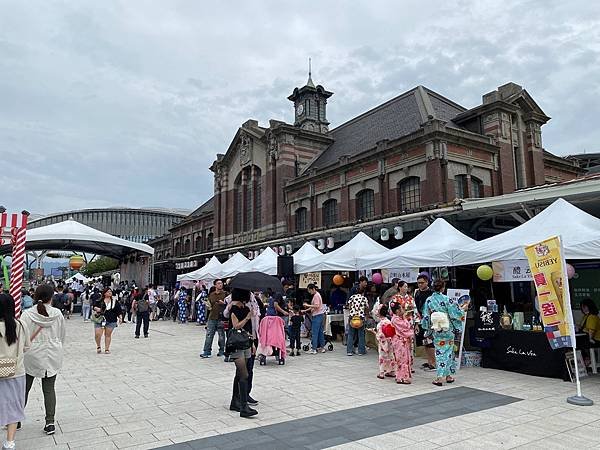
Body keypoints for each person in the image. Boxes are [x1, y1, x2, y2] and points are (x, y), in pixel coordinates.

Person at [21, 284, 66, 436]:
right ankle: (50, 422)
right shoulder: (57, 313)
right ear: (51, 296)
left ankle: (16, 419)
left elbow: (22, 336)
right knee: (49, 389)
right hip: (52, 353)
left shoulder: (27, 314)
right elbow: (62, 335)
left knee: (23, 389)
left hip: (31, 354)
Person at [420, 279, 468, 386]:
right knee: (449, 351)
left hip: (437, 329)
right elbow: (455, 313)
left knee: (440, 352)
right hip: (448, 329)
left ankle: (440, 377)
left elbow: (426, 317)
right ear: (443, 288)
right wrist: (463, 309)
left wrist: (427, 327)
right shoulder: (447, 299)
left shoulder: (429, 300)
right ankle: (448, 376)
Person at [0, 293, 30, 450]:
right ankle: (10, 442)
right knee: (13, 406)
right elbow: (26, 347)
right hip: (16, 372)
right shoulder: (21, 325)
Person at [227, 288, 258, 418]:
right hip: (236, 345)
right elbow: (236, 326)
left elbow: (248, 329)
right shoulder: (234, 310)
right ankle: (243, 406)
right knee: (243, 374)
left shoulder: (246, 308)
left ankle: (236, 401)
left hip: (245, 343)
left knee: (240, 374)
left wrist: (252, 344)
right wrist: (247, 317)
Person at [414, 274, 435, 371]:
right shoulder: (417, 293)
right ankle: (429, 361)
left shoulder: (432, 293)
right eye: (418, 283)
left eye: (422, 283)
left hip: (430, 321)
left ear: (427, 282)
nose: (420, 285)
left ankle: (433, 363)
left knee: (430, 343)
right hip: (420, 320)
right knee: (425, 342)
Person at [390, 300, 415, 384]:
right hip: (400, 341)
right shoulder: (396, 319)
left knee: (402, 359)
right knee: (402, 359)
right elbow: (406, 326)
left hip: (400, 341)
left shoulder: (396, 318)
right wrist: (405, 318)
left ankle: (400, 376)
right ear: (397, 311)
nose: (403, 310)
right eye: (402, 308)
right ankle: (403, 377)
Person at [92, 288, 123, 354]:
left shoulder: (114, 301)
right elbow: (94, 306)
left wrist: (120, 318)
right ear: (104, 293)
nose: (110, 293)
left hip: (111, 319)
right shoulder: (100, 300)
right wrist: (96, 308)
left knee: (108, 334)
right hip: (100, 319)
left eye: (110, 291)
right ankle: (98, 346)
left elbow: (118, 310)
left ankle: (107, 348)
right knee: (97, 334)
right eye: (108, 291)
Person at [200, 280, 227, 358]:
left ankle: (222, 350)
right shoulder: (211, 294)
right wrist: (207, 305)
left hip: (221, 317)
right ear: (215, 285)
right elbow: (209, 305)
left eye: (221, 283)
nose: (220, 285)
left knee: (221, 336)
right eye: (218, 283)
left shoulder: (225, 294)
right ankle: (206, 351)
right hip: (212, 317)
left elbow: (228, 305)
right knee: (209, 335)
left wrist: (224, 303)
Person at [303, 284, 327, 354]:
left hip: (317, 316)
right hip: (320, 315)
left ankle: (314, 349)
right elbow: (315, 306)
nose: (309, 292)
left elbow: (316, 306)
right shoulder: (317, 295)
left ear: (313, 289)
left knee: (315, 333)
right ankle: (322, 348)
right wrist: (305, 310)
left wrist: (307, 305)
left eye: (309, 290)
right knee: (320, 333)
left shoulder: (316, 296)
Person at [375, 304, 395, 379]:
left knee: (382, 357)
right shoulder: (389, 321)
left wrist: (375, 334)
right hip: (390, 341)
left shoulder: (380, 324)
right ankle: (392, 371)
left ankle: (382, 373)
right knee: (391, 356)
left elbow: (380, 335)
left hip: (383, 342)